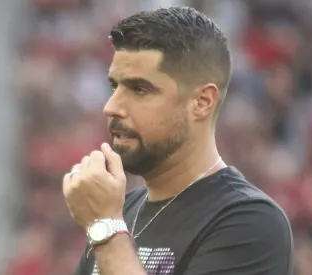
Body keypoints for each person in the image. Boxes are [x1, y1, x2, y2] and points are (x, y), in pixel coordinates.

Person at [62, 6, 293, 275]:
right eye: (115, 87)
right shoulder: (120, 210)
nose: (111, 106)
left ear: (202, 102)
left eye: (139, 89)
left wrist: (105, 228)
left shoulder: (250, 222)